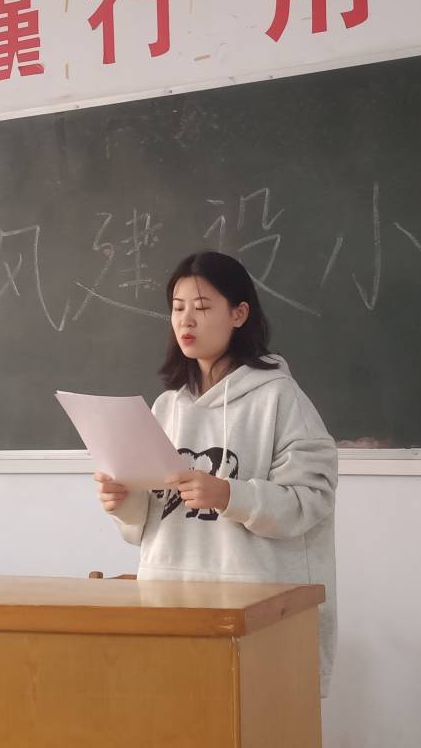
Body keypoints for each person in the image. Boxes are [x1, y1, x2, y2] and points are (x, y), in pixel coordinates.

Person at [95, 250, 338, 696]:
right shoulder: (166, 407)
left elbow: (311, 500)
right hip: (170, 606)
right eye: (177, 308)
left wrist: (229, 496)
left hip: (256, 615)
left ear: (239, 314)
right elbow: (151, 521)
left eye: (202, 307)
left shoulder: (279, 399)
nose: (186, 320)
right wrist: (124, 502)